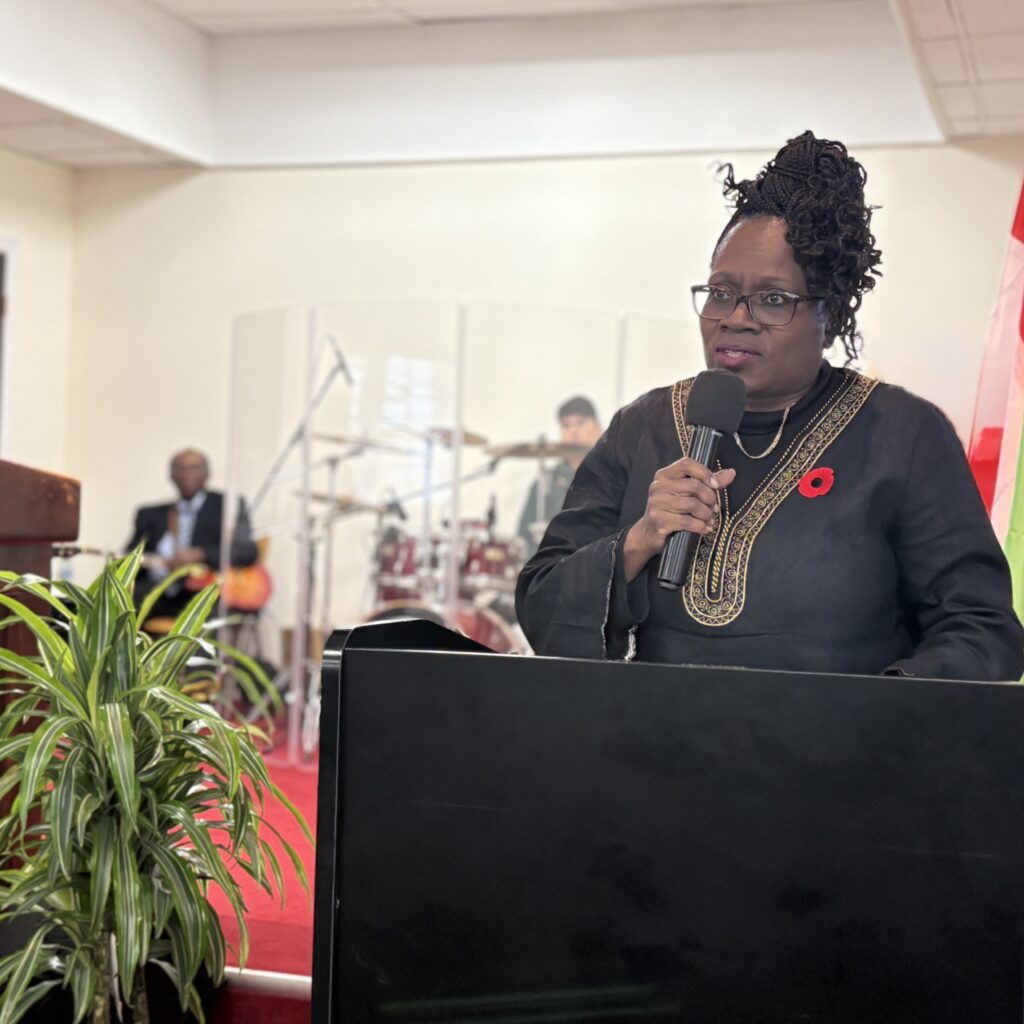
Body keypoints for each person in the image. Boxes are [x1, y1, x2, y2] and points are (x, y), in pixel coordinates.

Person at [516, 131, 1024, 681]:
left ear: (829, 315)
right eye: (719, 292)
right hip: (656, 751)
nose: (736, 317)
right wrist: (639, 540)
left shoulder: (904, 435)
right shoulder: (645, 426)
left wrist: (880, 713)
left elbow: (980, 628)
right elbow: (543, 605)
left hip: (837, 754)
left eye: (773, 299)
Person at [127, 448, 258, 619]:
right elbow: (129, 557)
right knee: (116, 608)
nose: (187, 474)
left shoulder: (226, 505)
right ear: (172, 475)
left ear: (206, 473)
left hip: (203, 591)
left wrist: (201, 554)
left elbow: (247, 552)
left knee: (205, 616)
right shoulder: (151, 515)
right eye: (181, 468)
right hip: (157, 591)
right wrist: (159, 562)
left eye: (194, 468)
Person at [516, 396, 603, 558]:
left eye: (581, 423)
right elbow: (523, 536)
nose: (574, 431)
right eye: (566, 426)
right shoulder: (547, 482)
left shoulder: (613, 477)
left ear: (599, 428)